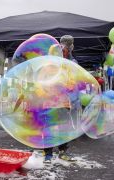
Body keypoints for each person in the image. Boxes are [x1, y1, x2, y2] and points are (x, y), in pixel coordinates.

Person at [44, 35, 78, 163]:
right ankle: (48, 153)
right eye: (63, 45)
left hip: (63, 100)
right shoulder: (52, 59)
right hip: (51, 100)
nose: (64, 48)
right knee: (49, 127)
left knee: (64, 127)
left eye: (67, 46)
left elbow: (73, 81)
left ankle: (62, 151)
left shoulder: (72, 61)